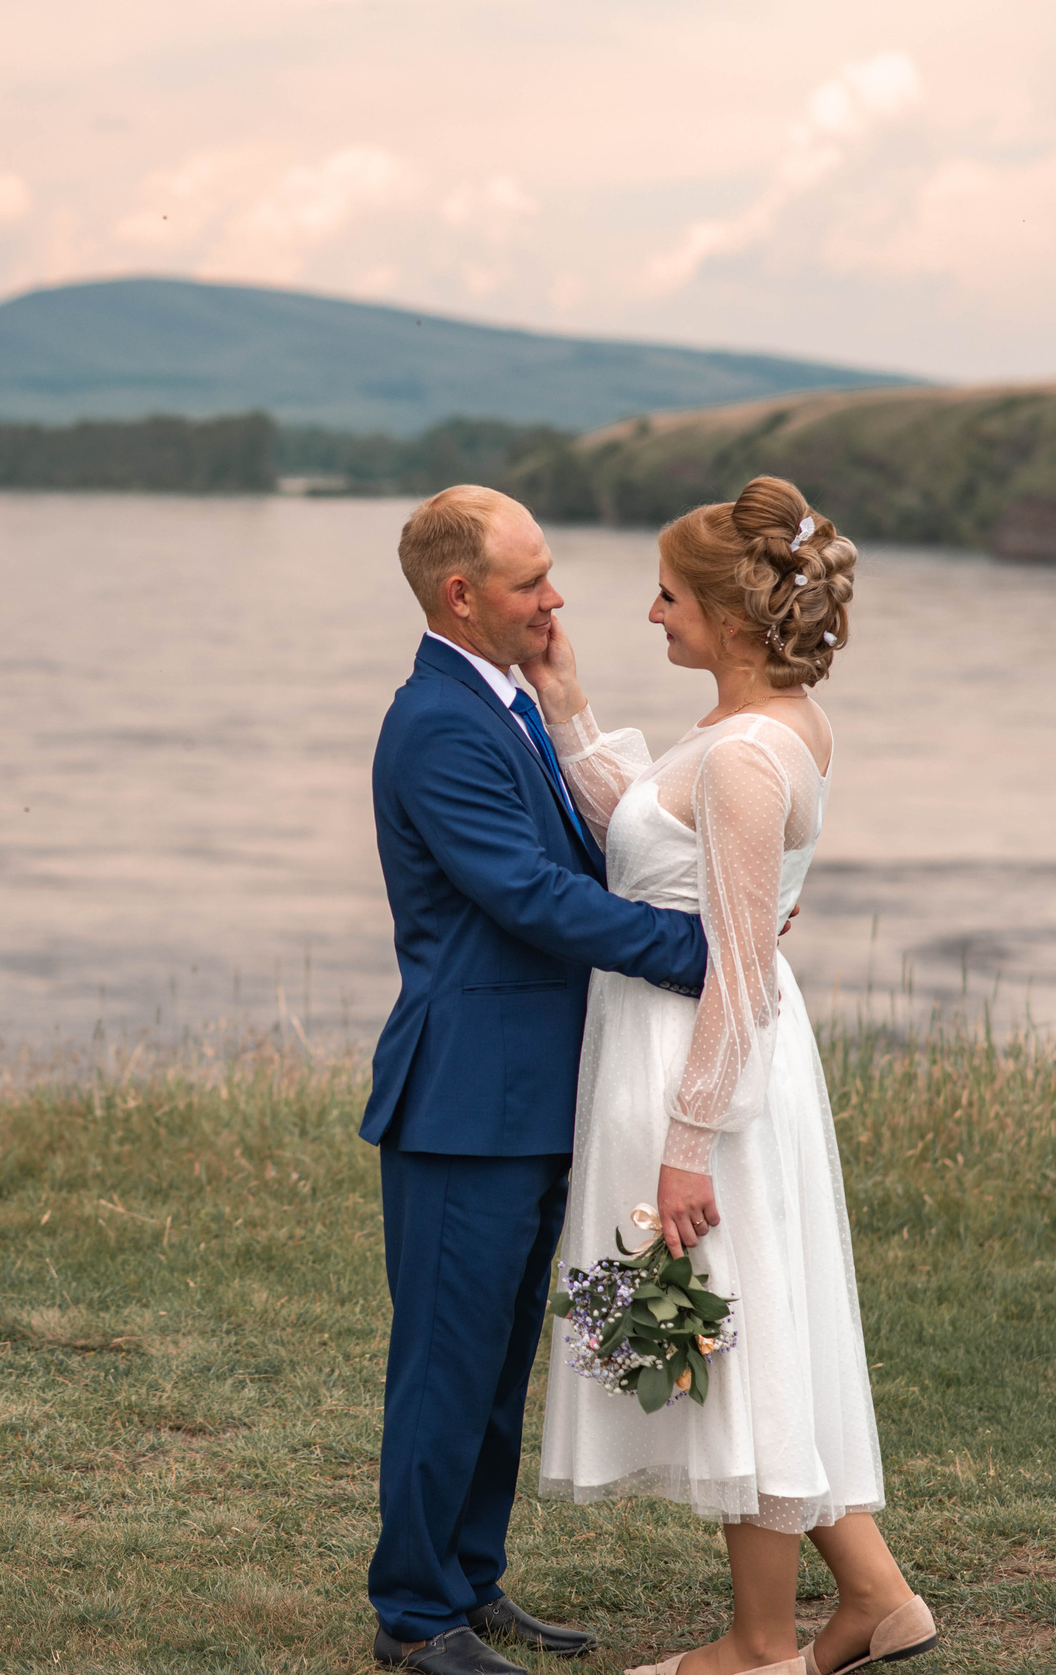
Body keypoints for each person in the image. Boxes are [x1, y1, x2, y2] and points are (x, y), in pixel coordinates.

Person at [523, 478, 935, 1675]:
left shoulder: (750, 753)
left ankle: (760, 1644)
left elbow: (742, 965)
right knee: (744, 1329)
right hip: (695, 1054)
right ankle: (875, 1598)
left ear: (728, 613)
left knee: (731, 1336)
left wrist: (688, 1137)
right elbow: (651, 844)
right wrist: (568, 703)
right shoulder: (751, 727)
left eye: (666, 594)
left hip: (710, 1071)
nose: (651, 612)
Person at [363, 485, 713, 1675]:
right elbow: (529, 893)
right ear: (461, 595)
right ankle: (413, 1614)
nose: (556, 597)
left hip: (525, 1096)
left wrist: (569, 705)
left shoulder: (500, 702)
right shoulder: (438, 724)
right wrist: (692, 952)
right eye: (530, 581)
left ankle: (469, 1580)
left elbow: (588, 847)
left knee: (499, 1367)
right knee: (444, 1368)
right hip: (464, 1104)